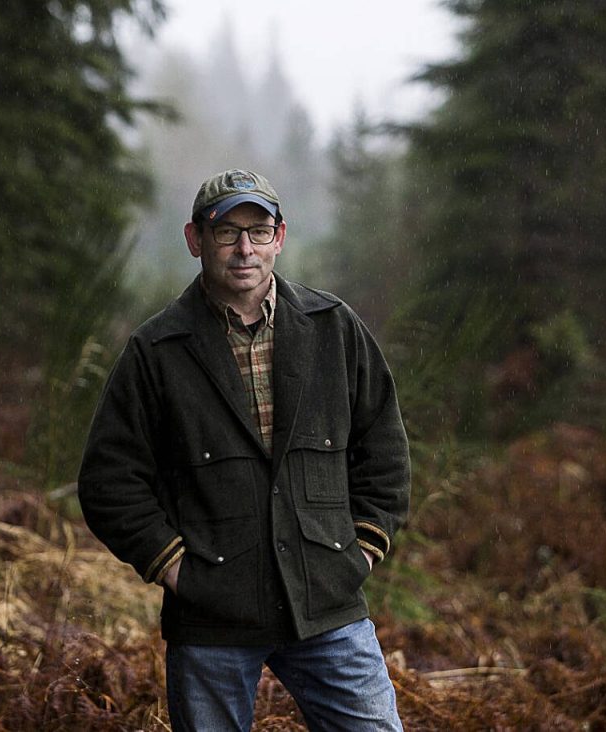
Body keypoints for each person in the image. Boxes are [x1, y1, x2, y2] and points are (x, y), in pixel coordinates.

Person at [78, 169, 410, 731]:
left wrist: (357, 555)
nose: (243, 249)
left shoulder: (334, 329)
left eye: (258, 231)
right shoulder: (156, 350)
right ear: (195, 241)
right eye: (226, 232)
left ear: (279, 238)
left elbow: (384, 452)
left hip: (326, 608)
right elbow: (109, 480)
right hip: (211, 620)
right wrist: (176, 569)